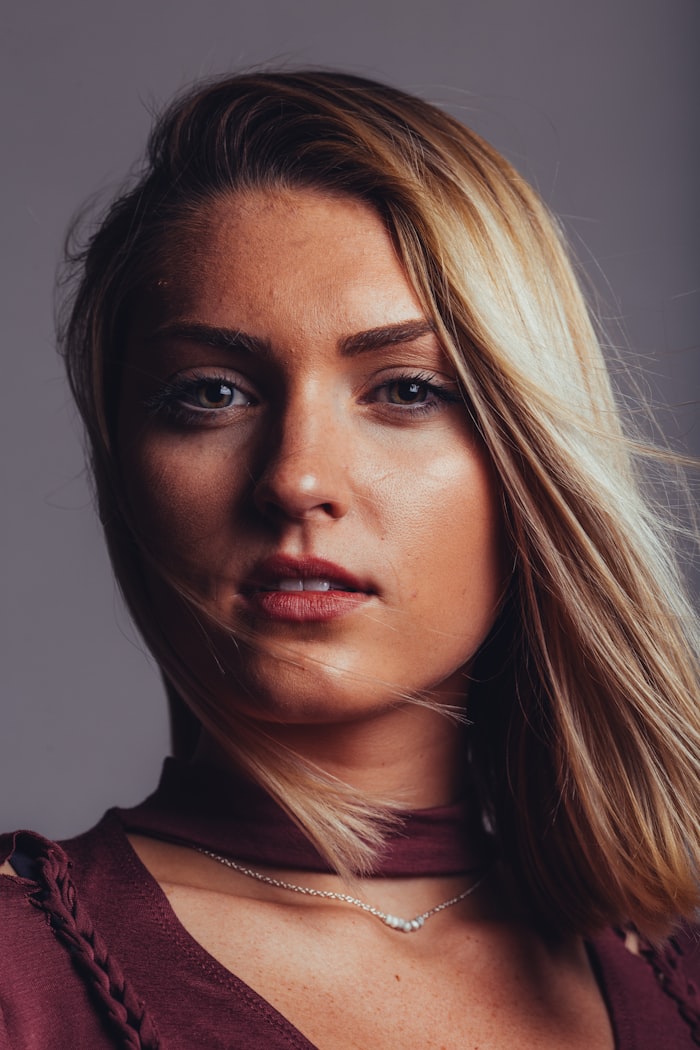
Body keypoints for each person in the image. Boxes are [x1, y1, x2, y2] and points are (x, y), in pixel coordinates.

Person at [1, 70, 699, 1049]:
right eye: (210, 393)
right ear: (124, 469)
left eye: (407, 391)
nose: (295, 479)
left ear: (530, 458)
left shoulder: (676, 974)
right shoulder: (21, 978)